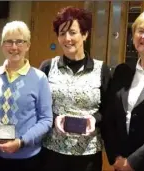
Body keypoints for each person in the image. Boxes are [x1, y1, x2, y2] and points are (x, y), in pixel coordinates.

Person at [39, 6, 111, 171]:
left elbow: (108, 110)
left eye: (72, 32)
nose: (67, 38)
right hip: (52, 152)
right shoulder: (48, 67)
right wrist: (55, 118)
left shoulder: (102, 70)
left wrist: (95, 119)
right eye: (62, 33)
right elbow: (40, 107)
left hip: (88, 154)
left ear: (85, 34)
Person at [0, 21, 53, 171]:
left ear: (28, 45)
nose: (14, 47)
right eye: (9, 42)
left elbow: (46, 119)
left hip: (28, 158)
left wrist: (21, 142)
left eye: (20, 42)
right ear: (2, 46)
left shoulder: (39, 78)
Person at [103, 9, 144, 171]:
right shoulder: (122, 71)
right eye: (140, 31)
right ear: (133, 36)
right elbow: (109, 118)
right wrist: (115, 157)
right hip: (119, 163)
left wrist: (133, 163)